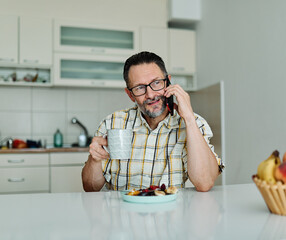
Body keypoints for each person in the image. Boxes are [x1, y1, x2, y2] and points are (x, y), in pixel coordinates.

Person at [82, 51, 224, 192]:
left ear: (168, 82)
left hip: (172, 212)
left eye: (156, 83)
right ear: (130, 94)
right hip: (121, 212)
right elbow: (90, 188)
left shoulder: (193, 122)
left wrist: (189, 119)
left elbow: (204, 183)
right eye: (140, 88)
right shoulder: (112, 123)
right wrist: (94, 160)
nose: (150, 95)